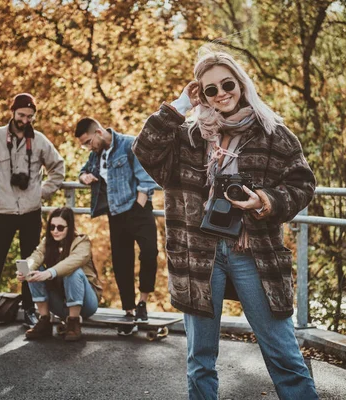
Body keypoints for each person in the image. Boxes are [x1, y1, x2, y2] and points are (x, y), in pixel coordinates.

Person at [132, 48, 319, 399]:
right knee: (200, 359)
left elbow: (302, 184)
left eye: (227, 84)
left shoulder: (272, 133)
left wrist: (264, 201)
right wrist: (179, 106)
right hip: (198, 256)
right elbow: (145, 150)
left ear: (241, 84)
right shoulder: (187, 137)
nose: (221, 94)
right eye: (210, 90)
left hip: (254, 253)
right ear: (201, 95)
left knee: (284, 355)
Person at [0, 93, 65, 333]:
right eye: (21, 115)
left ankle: (30, 312)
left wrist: (42, 192)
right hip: (3, 211)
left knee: (29, 266)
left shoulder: (39, 140)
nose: (25, 120)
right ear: (13, 112)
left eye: (30, 116)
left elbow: (58, 168)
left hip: (31, 211)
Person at [74, 117, 158, 335]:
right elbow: (82, 171)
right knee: (122, 263)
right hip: (115, 214)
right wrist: (85, 177)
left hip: (138, 211)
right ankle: (129, 311)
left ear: (99, 132)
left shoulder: (130, 144)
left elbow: (147, 179)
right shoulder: (96, 155)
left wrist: (138, 208)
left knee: (149, 253)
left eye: (88, 142)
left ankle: (143, 303)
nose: (87, 147)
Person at [17, 207, 103, 341]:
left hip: (86, 304)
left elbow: (72, 262)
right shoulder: (48, 241)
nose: (55, 231)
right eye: (52, 227)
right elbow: (36, 256)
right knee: (35, 272)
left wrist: (50, 272)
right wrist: (25, 271)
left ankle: (74, 322)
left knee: (72, 270)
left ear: (69, 227)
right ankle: (44, 321)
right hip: (60, 303)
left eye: (60, 227)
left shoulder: (82, 241)